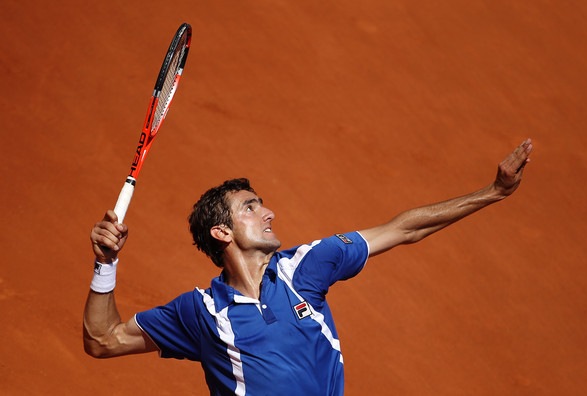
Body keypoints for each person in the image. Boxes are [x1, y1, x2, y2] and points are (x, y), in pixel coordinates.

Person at [84, 139, 533, 395]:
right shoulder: (201, 312)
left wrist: (492, 192)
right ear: (222, 233)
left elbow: (401, 230)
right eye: (250, 207)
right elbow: (103, 340)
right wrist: (107, 265)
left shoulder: (305, 269)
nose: (269, 213)